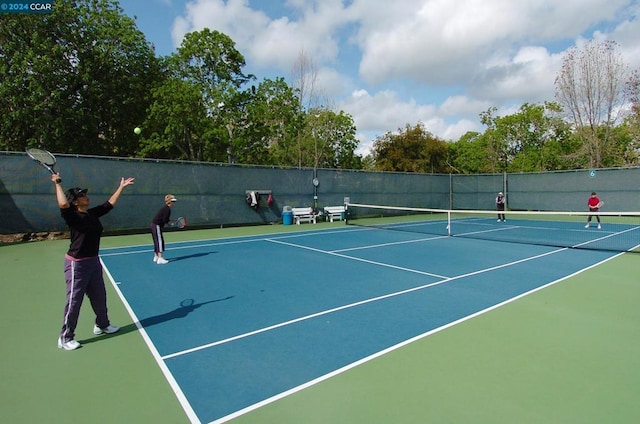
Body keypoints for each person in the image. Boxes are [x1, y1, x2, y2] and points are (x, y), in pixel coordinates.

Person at [51, 172, 135, 350]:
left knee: (100, 297)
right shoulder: (72, 216)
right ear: (75, 202)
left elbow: (109, 204)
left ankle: (102, 325)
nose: (85, 196)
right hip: (77, 264)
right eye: (81, 195)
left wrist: (121, 187)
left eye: (84, 194)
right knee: (74, 301)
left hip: (94, 262)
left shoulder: (92, 214)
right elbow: (63, 204)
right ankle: (65, 337)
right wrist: (57, 183)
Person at [151, 194, 177, 264]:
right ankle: (160, 258)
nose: (174, 203)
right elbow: (165, 220)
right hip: (157, 226)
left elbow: (165, 219)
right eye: (173, 201)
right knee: (159, 241)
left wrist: (171, 221)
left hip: (154, 225)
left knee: (156, 241)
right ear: (169, 202)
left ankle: (156, 256)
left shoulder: (165, 208)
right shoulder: (167, 209)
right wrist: (170, 224)